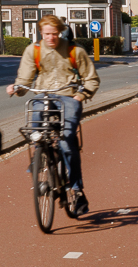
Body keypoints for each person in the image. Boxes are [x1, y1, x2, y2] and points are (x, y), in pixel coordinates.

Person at [10, 14, 98, 217]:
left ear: (60, 32)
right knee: (35, 131)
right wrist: (17, 88)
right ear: (41, 33)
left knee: (67, 140)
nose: (51, 38)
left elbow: (91, 79)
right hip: (43, 94)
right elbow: (25, 78)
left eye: (55, 34)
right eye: (47, 34)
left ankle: (76, 189)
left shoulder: (74, 51)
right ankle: (40, 154)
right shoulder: (34, 50)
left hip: (68, 96)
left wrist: (81, 95)